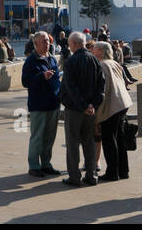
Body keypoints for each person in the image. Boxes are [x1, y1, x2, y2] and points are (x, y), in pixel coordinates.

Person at [58, 31, 104, 187]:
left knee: (72, 143)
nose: (69, 46)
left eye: (70, 44)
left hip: (75, 109)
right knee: (89, 141)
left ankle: (74, 177)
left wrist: (84, 106)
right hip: (90, 110)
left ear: (75, 44)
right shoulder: (95, 60)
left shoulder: (71, 62)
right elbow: (101, 87)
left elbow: (71, 87)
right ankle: (91, 175)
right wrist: (93, 105)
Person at [21, 31, 61, 178]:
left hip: (53, 103)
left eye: (48, 40)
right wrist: (41, 77)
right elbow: (25, 82)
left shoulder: (52, 59)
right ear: (36, 44)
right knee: (37, 137)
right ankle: (34, 166)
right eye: (44, 41)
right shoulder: (31, 61)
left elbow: (56, 79)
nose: (48, 43)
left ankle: (46, 164)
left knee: (50, 137)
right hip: (39, 105)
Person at [91, 41, 132, 181]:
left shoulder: (102, 65)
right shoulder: (114, 63)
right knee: (119, 138)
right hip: (122, 104)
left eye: (94, 50)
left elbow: (104, 91)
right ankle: (123, 170)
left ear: (101, 52)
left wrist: (97, 116)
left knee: (109, 139)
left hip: (112, 106)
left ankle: (112, 173)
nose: (92, 52)